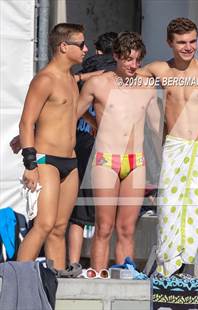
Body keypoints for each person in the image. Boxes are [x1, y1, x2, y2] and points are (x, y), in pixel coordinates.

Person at [137, 17, 198, 277]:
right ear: (170, 43)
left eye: (192, 41)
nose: (188, 47)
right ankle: (171, 279)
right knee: (169, 213)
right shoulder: (159, 70)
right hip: (174, 148)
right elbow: (128, 76)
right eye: (181, 43)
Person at [76, 32, 161, 271]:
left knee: (127, 228)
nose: (133, 65)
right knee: (104, 227)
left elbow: (156, 129)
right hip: (105, 160)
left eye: (137, 60)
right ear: (115, 56)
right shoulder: (98, 83)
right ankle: (98, 279)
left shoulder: (147, 86)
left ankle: (127, 279)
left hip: (136, 161)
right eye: (128, 59)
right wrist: (93, 124)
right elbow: (73, 111)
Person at [17, 23, 88, 270]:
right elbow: (26, 121)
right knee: (44, 225)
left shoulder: (70, 78)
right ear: (63, 46)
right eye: (81, 44)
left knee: (59, 228)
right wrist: (30, 164)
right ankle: (17, 283)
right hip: (46, 161)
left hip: (70, 161)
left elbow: (61, 114)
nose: (86, 49)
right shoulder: (44, 79)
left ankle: (55, 286)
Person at [68, 32, 118, 265]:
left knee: (78, 213)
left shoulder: (84, 72)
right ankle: (107, 266)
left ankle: (74, 263)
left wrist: (91, 119)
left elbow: (73, 104)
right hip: (111, 144)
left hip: (81, 141)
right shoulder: (120, 72)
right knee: (105, 214)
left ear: (98, 50)